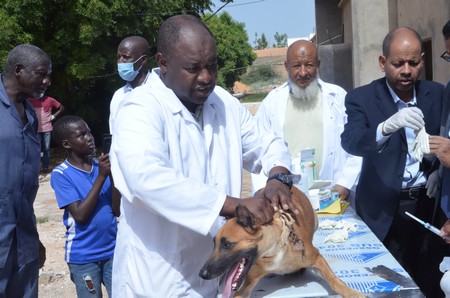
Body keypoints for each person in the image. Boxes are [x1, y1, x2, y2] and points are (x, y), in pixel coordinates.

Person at [110, 14, 297, 297]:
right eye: (194, 68)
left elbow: (267, 142)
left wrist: (278, 177)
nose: (206, 77)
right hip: (160, 279)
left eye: (212, 65)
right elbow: (145, 178)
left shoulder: (222, 102)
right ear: (163, 63)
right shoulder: (139, 108)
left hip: (214, 272)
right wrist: (232, 205)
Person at [341, 27, 444, 297]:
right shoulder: (361, 98)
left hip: (427, 206)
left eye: (414, 62)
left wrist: (438, 170)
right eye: (398, 64)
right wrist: (385, 128)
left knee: (430, 281)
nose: (407, 71)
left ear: (423, 59)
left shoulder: (437, 94)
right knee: (387, 285)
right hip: (383, 211)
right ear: (382, 62)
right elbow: (350, 140)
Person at [252, 40, 361, 205]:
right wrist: (264, 191)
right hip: (286, 198)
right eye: (296, 66)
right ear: (286, 66)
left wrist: (345, 184)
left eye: (309, 65)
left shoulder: (338, 97)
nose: (303, 73)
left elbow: (357, 145)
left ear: (318, 65)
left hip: (332, 195)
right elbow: (260, 150)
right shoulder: (272, 102)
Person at [50, 115, 120, 297]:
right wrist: (102, 177)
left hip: (113, 250)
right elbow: (80, 215)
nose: (90, 137)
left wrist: (113, 176)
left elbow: (117, 210)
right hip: (84, 256)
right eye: (82, 135)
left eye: (89, 132)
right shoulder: (61, 174)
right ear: (67, 144)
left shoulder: (100, 167)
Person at [0, 44, 50, 297]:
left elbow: (25, 184)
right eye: (41, 73)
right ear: (19, 70)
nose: (46, 80)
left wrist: (34, 236)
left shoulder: (30, 113)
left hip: (24, 243)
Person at [109, 35, 151, 133]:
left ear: (143, 60)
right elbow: (115, 132)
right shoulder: (118, 95)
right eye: (118, 57)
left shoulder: (160, 89)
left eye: (126, 57)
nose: (120, 62)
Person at [28, 94, 65, 173]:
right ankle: (36, 168)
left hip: (47, 128)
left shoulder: (50, 100)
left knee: (46, 149)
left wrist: (53, 116)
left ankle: (45, 167)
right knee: (36, 149)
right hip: (35, 129)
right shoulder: (30, 100)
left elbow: (61, 107)